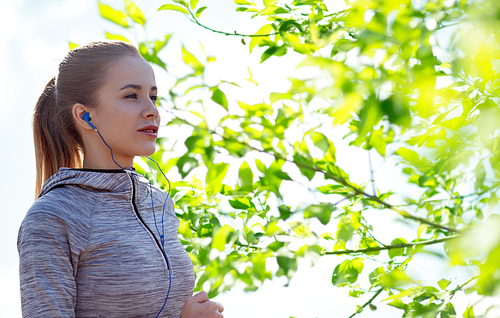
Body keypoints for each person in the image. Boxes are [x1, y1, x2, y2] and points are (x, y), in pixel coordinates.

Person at [17, 40, 224, 318]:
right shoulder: (54, 216)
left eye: (153, 96)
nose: (152, 110)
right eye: (131, 96)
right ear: (86, 115)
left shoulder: (159, 203)